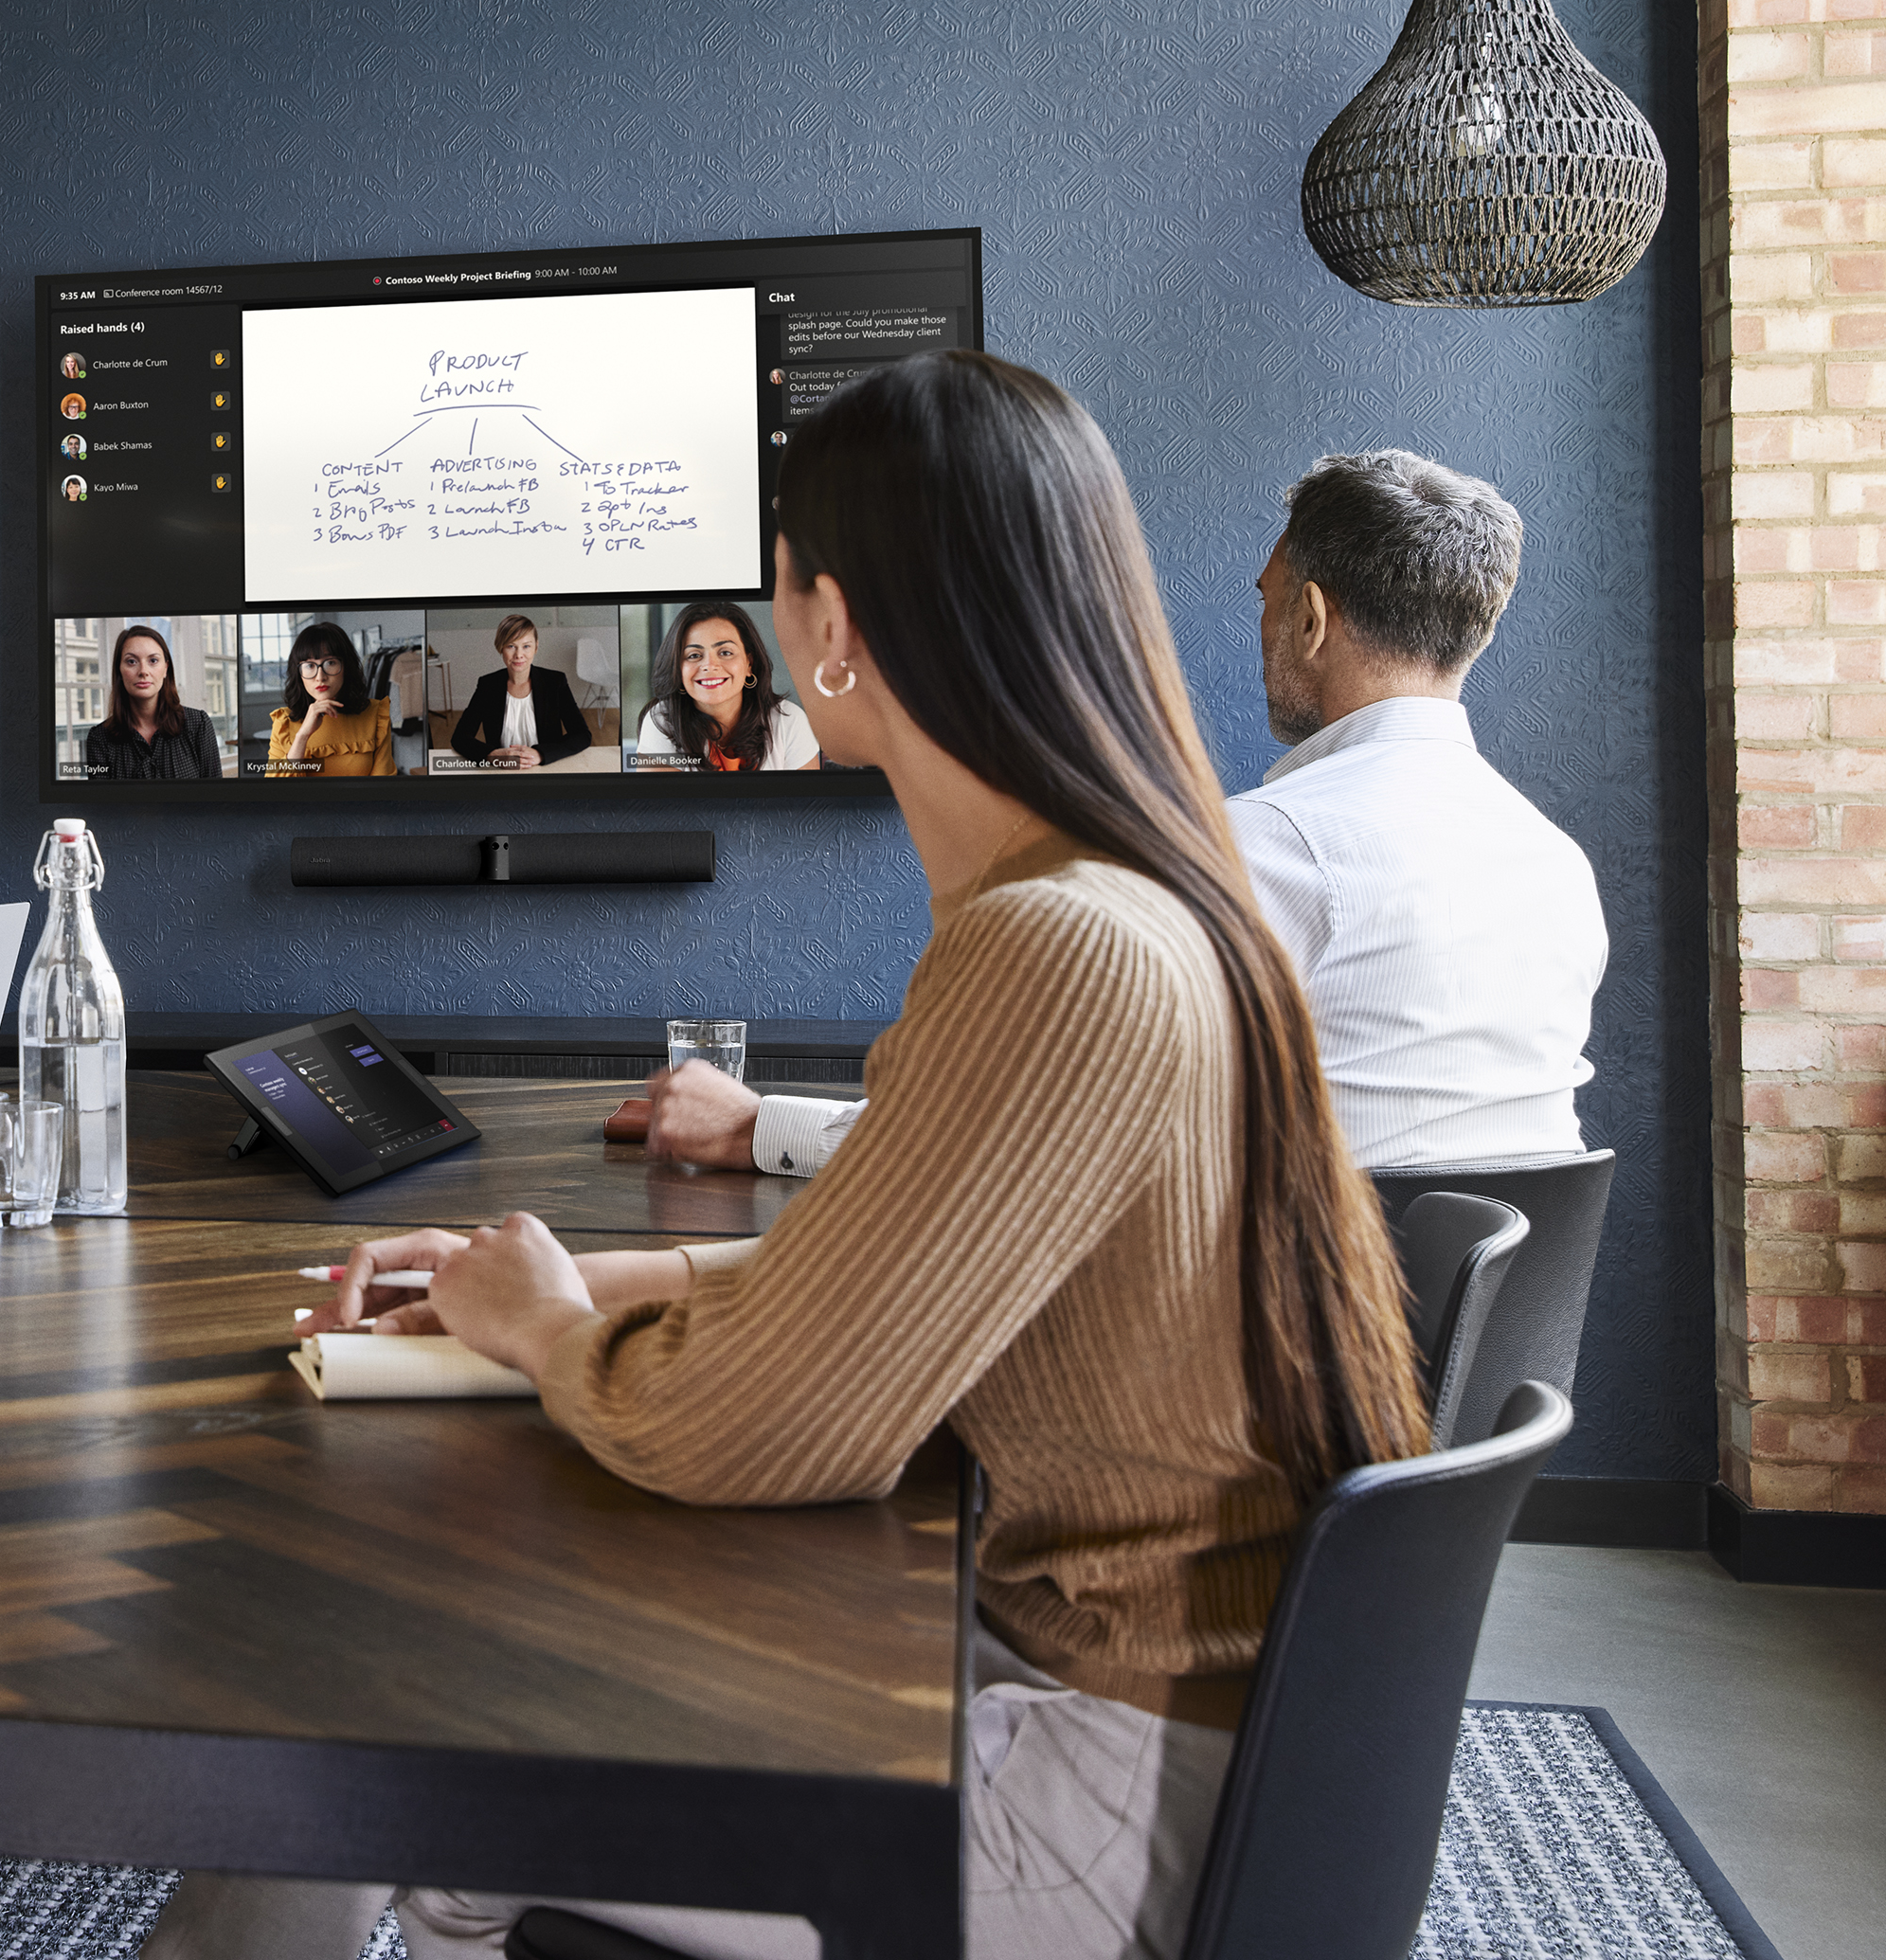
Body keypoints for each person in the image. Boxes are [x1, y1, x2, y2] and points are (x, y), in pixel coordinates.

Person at [151, 351, 1428, 1960]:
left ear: (826, 631)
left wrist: (551, 1331)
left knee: (380, 1739)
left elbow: (770, 1425)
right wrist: (550, 1279)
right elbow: (903, 1274)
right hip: (1138, 1736)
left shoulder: (1056, 949)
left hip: (1092, 1808)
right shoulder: (1140, 906)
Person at [656, 451, 1605, 1180]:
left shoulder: (1274, 848)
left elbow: (1043, 1130)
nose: (1264, 623)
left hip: (1265, 1396)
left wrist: (757, 1125)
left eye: (1269, 599)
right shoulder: (1557, 865)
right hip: (1461, 1405)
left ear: (1312, 617)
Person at [631, 601, 817, 772]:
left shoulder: (790, 721)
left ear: (749, 664)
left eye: (725, 652)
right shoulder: (662, 721)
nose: (710, 665)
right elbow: (662, 807)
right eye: (694, 655)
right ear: (678, 670)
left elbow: (805, 807)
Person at [444, 612, 592, 768]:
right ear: (500, 647)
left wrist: (540, 753)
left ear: (536, 647)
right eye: (511, 646)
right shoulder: (487, 685)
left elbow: (582, 735)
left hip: (546, 769)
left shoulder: (555, 682)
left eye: (526, 646)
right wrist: (492, 755)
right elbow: (460, 737)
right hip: (502, 771)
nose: (519, 655)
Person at [82, 621, 223, 779]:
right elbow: (102, 803)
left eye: (153, 661)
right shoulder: (100, 739)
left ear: (165, 669)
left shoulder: (198, 725)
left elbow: (216, 798)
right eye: (131, 661)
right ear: (119, 671)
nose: (143, 671)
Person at [265, 619, 390, 776]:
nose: (320, 677)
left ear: (346, 667)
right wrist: (302, 735)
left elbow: (383, 786)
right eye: (310, 665)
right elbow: (276, 793)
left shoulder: (376, 715)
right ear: (299, 673)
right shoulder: (283, 723)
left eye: (330, 663)